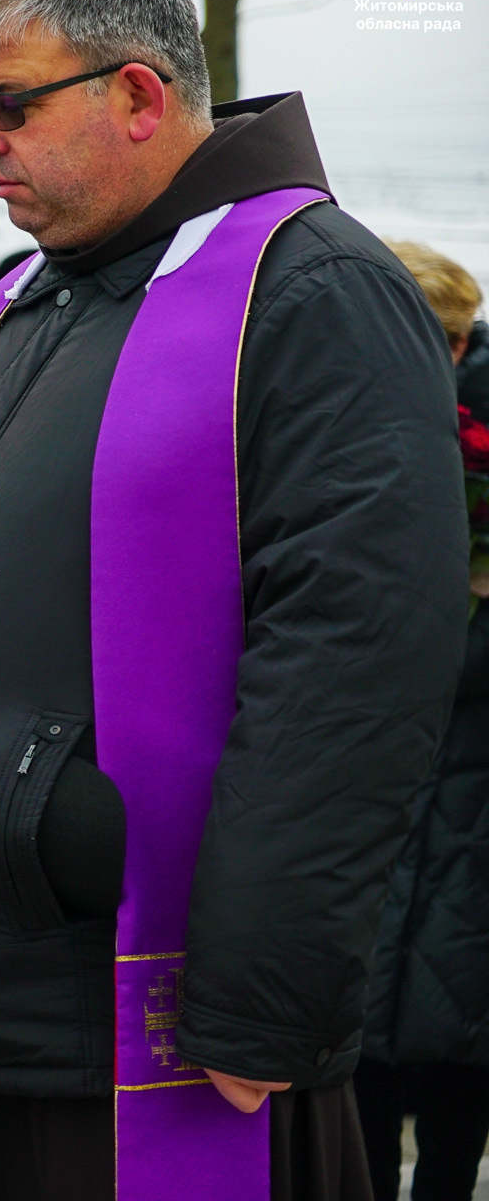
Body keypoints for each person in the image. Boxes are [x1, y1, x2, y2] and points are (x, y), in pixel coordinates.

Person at [0, 0, 466, 1201]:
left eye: (8, 102)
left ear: (136, 93)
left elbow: (353, 659)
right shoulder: (27, 297)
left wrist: (260, 1003)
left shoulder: (305, 289)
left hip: (160, 1038)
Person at [357, 243, 489, 1201]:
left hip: (473, 817)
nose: (431, 353)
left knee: (458, 1068)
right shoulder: (329, 435)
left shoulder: (473, 446)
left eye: (449, 336)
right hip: (367, 807)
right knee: (353, 1062)